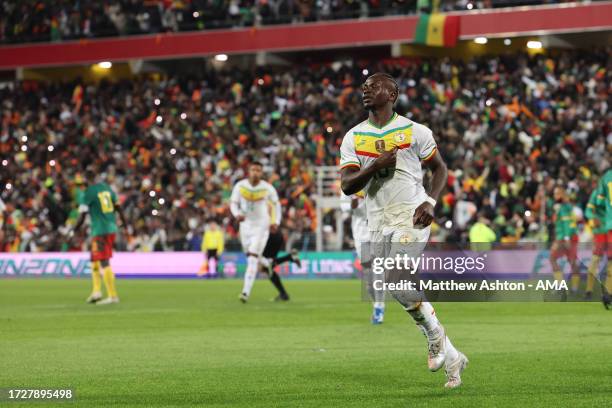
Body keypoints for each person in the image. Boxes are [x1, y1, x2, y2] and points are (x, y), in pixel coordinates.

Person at [339, 72, 467, 388]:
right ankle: (451, 354)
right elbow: (346, 185)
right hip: (378, 223)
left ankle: (435, 337)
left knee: (397, 276)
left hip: (412, 216)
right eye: (364, 86)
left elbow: (440, 169)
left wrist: (432, 202)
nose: (366, 89)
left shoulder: (414, 131)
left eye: (374, 86)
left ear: (392, 93)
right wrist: (374, 166)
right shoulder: (353, 137)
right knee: (399, 289)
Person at [66, 169, 127, 305]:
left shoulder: (88, 193)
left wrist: (72, 231)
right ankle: (96, 292)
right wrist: (125, 222)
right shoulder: (106, 188)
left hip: (101, 230)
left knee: (104, 261)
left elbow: (82, 216)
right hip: (110, 228)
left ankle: (112, 296)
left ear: (86, 180)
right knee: (94, 259)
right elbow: (118, 207)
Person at [230, 162, 281, 303]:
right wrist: (236, 214)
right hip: (245, 225)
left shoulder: (267, 188)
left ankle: (245, 292)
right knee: (250, 255)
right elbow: (233, 203)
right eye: (253, 169)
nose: (255, 173)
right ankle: (267, 263)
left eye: (258, 170)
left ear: (262, 173)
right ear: (248, 171)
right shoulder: (240, 186)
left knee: (252, 258)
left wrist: (275, 221)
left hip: (261, 225)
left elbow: (277, 204)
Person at [341, 190, 385, 324]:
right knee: (368, 278)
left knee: (378, 268)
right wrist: (354, 201)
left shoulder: (374, 180)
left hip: (378, 231)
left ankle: (379, 307)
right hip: (361, 235)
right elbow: (346, 208)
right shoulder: (349, 185)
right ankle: (376, 303)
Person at [586, 169, 612, 309]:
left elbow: (596, 206)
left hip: (608, 228)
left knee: (608, 262)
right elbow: (588, 211)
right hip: (601, 233)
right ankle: (589, 291)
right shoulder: (596, 194)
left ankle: (608, 293)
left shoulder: (603, 185)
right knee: (596, 260)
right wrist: (594, 219)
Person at [549, 186, 579, 300]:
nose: (554, 196)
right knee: (571, 261)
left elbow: (567, 223)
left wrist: (566, 238)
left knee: (553, 258)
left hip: (566, 237)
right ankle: (573, 287)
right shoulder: (565, 206)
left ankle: (561, 285)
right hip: (567, 236)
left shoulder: (564, 207)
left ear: (561, 194)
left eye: (556, 193)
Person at [259, 230, 301, 301]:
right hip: (278, 236)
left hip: (268, 237)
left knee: (265, 267)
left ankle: (290, 257)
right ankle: (283, 294)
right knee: (267, 267)